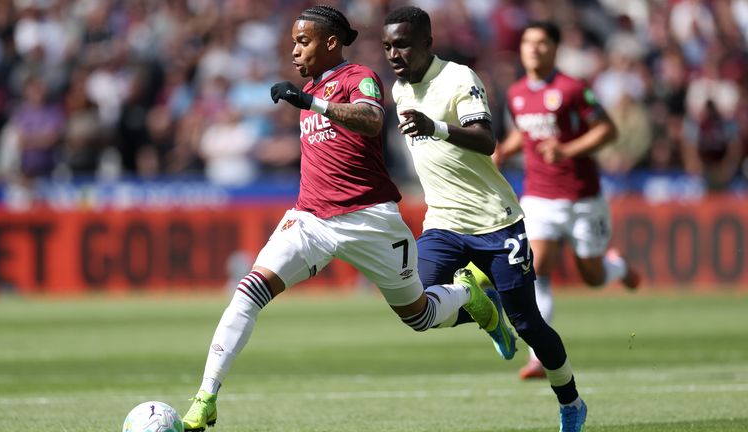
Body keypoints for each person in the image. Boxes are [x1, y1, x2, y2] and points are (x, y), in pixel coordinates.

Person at [180, 6, 509, 431]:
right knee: (248, 293)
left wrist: (313, 101)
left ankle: (467, 292)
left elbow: (373, 121)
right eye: (293, 43)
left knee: (419, 317)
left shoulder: (359, 78)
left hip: (371, 219)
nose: (294, 52)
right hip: (310, 219)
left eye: (303, 42)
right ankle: (206, 397)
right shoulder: (310, 93)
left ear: (331, 42)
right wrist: (310, 99)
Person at [382, 7, 587, 432]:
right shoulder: (400, 90)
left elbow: (487, 140)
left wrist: (435, 126)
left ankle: (570, 401)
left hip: (496, 222)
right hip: (443, 221)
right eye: (387, 46)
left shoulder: (459, 78)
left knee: (529, 322)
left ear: (427, 43)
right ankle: (482, 309)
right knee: (416, 304)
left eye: (402, 44)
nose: (393, 54)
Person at [492, 21, 641, 380]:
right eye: (528, 42)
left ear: (555, 48)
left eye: (542, 42)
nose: (534, 49)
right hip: (540, 197)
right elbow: (523, 135)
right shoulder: (515, 93)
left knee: (591, 276)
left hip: (582, 198)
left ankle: (617, 267)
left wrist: (568, 149)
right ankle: (538, 358)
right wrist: (499, 153)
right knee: (535, 269)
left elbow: (608, 130)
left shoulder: (573, 89)